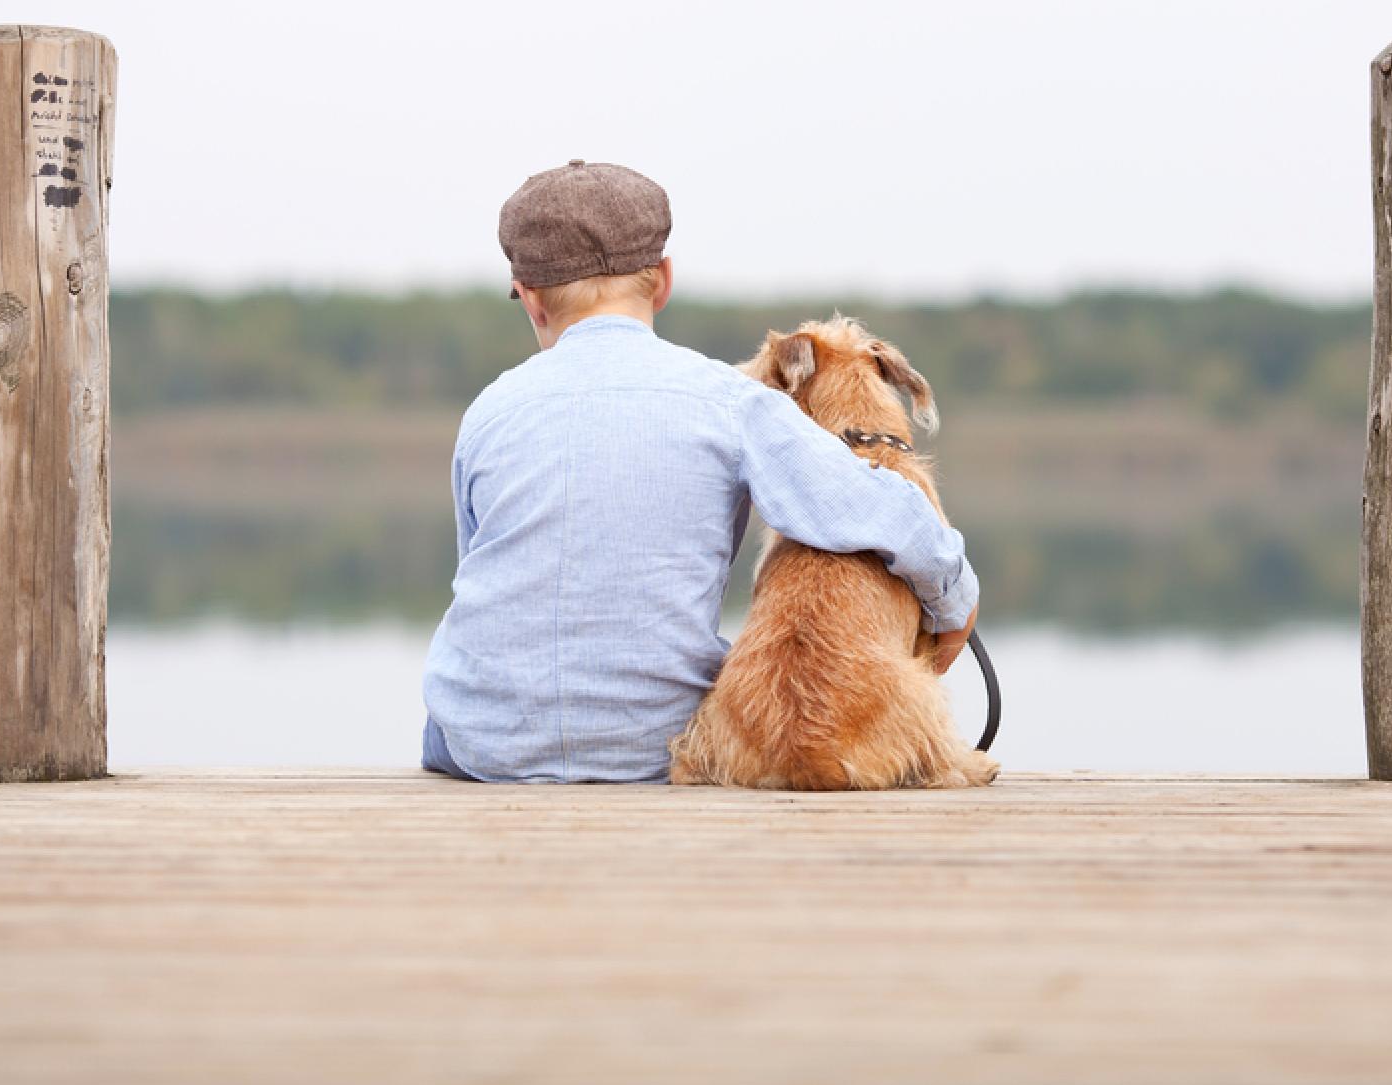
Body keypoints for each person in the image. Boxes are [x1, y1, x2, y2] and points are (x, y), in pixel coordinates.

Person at [419, 160, 979, 782]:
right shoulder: (729, 401)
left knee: (451, 699)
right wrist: (954, 605)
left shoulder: (490, 409)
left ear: (527, 296)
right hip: (653, 745)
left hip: (484, 744)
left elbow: (477, 567)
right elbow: (885, 512)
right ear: (661, 281)